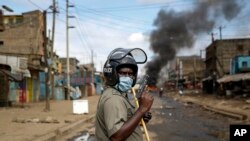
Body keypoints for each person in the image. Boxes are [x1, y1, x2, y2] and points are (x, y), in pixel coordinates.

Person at [95, 48, 154, 141]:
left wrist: (139, 119)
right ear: (112, 74)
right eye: (122, 73)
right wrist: (142, 109)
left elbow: (124, 123)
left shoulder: (120, 95)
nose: (127, 77)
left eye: (130, 74)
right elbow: (116, 136)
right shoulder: (113, 99)